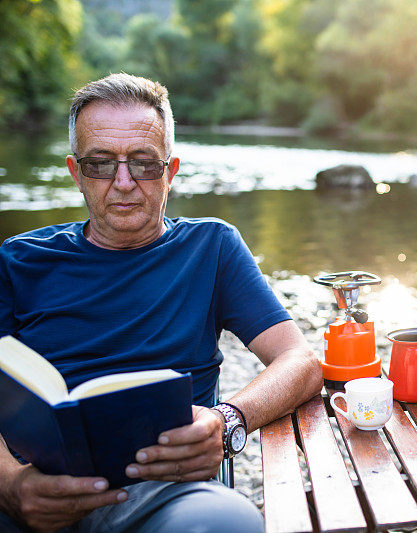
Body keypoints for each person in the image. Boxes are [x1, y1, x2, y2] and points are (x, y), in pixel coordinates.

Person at [0, 73, 323, 532]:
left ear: (170, 171)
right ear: (76, 173)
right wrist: (10, 484)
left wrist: (226, 420)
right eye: (101, 164)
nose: (124, 182)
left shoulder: (212, 247)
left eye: (144, 164)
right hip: (33, 484)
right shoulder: (18, 259)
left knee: (230, 523)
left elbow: (301, 361)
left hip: (161, 489)